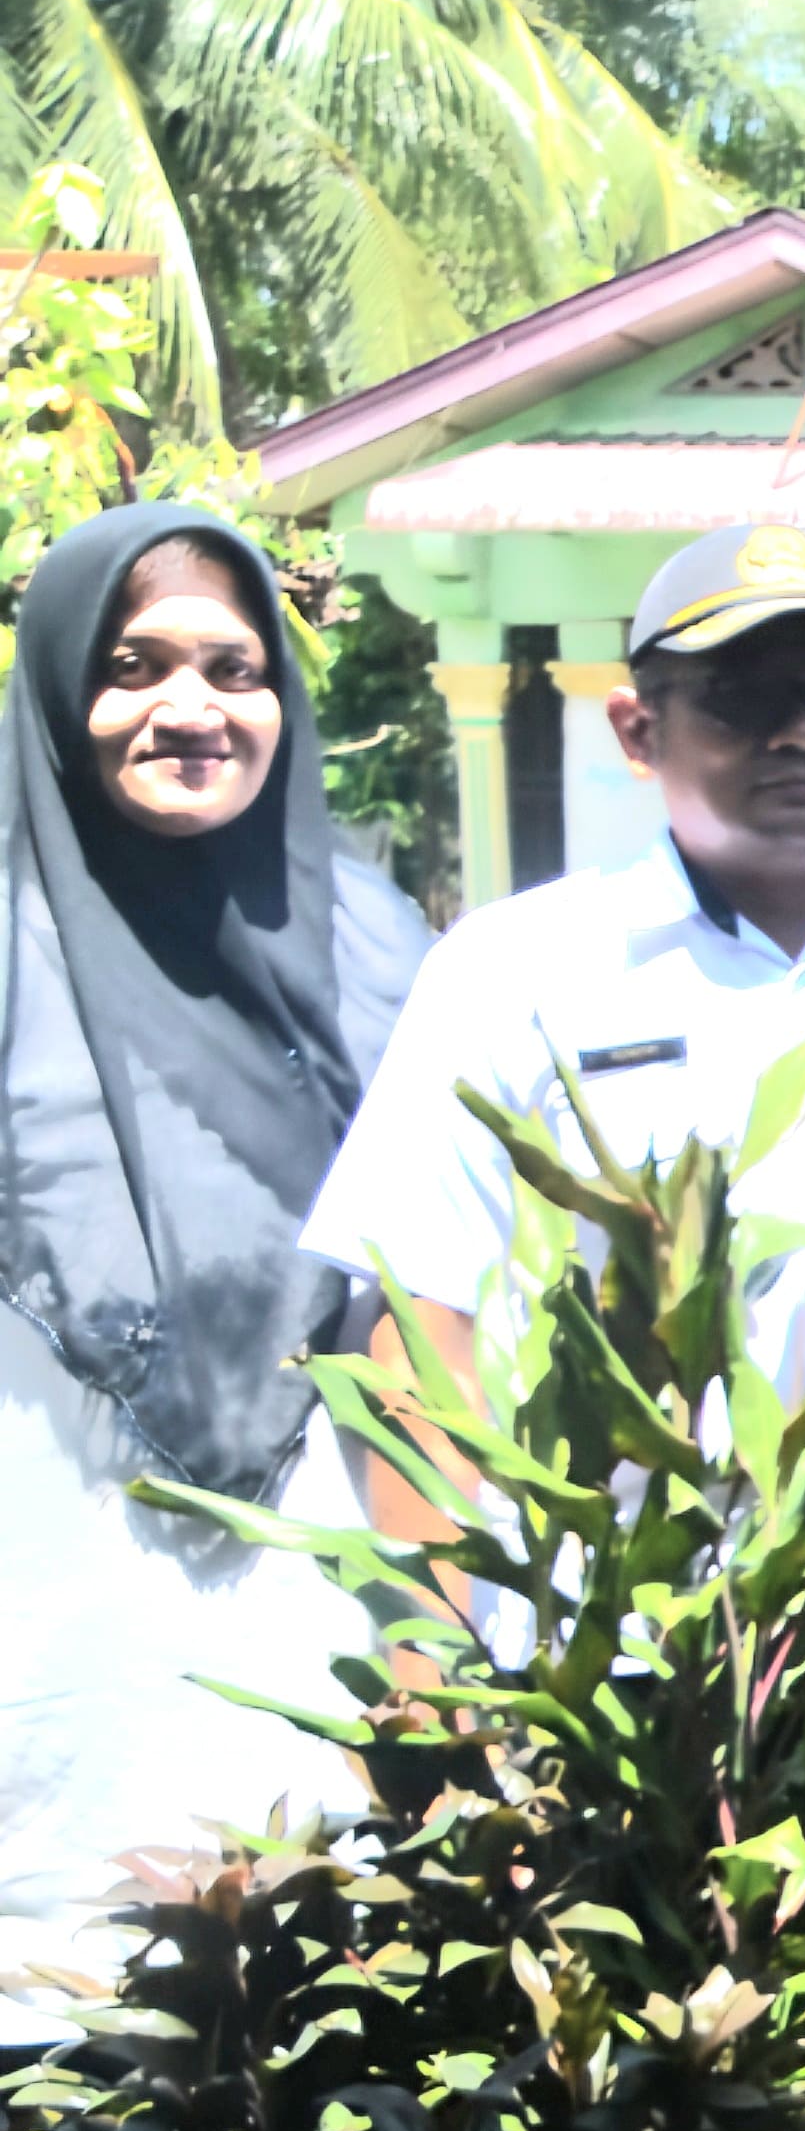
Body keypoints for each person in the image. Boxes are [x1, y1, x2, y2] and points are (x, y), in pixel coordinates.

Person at [301, 522, 805, 2042]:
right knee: (635, 2123)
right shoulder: (520, 970)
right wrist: (434, 1674)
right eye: (742, 696)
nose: (800, 729)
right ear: (638, 725)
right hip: (619, 1664)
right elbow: (417, 1328)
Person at [2, 504, 429, 2041]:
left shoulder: (378, 948)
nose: (192, 708)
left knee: (302, 2065)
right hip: (50, 1599)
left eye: (235, 667)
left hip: (313, 1593)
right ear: (58, 688)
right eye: (133, 665)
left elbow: (440, 1297)